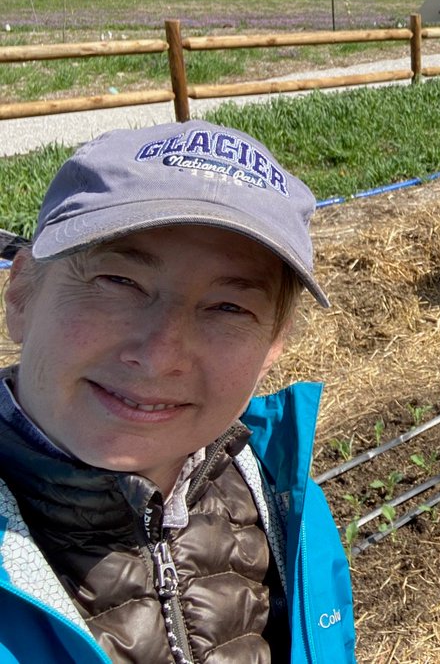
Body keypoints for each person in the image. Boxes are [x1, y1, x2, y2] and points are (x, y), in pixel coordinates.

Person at [0, 121, 356, 662]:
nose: (161, 355)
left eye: (228, 307)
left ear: (273, 343)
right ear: (21, 294)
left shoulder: (289, 508)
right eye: (119, 282)